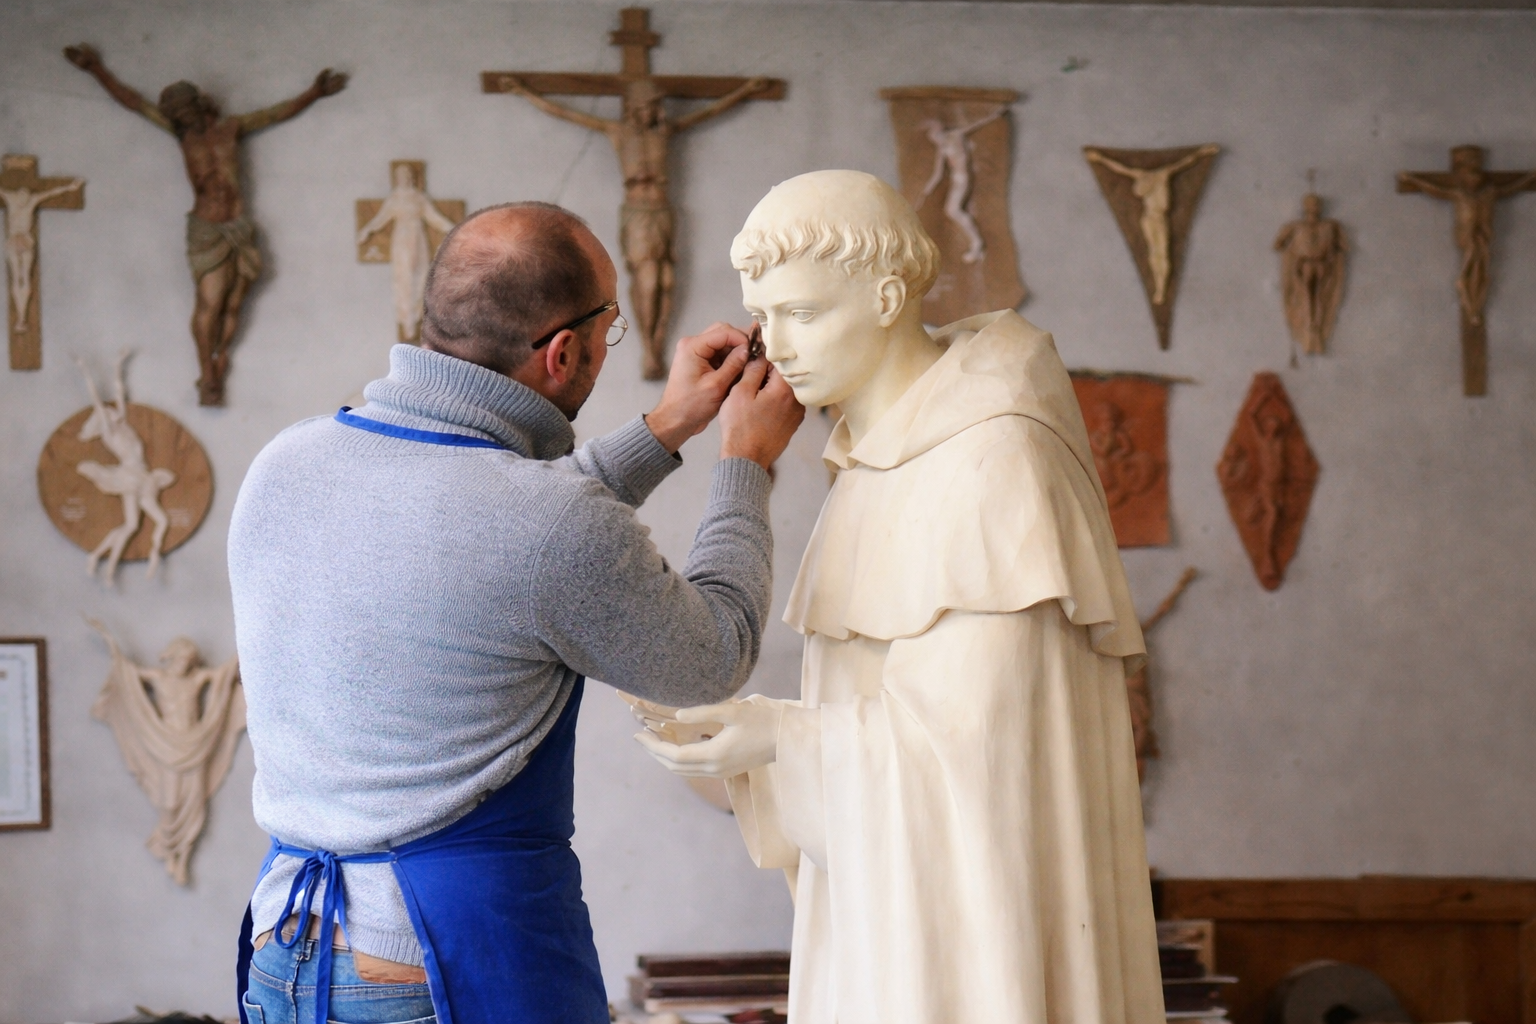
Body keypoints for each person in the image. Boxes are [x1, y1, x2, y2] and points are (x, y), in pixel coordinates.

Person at [228, 200, 803, 1024]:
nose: (611, 342)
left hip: (285, 948)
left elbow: (493, 527)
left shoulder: (287, 461)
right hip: (439, 967)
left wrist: (668, 426)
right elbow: (712, 655)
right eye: (610, 326)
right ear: (563, 351)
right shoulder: (546, 525)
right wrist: (747, 461)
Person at [638, 171, 1164, 1023]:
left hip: (970, 947)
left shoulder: (992, 461)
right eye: (765, 318)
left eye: (804, 314)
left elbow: (974, 755)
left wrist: (775, 735)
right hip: (890, 919)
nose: (780, 346)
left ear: (887, 298)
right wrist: (764, 738)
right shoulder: (874, 460)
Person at [64, 43, 348, 405]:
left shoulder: (232, 129)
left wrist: (314, 92)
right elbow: (134, 102)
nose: (183, 120)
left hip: (238, 226)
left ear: (198, 106)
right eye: (177, 116)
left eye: (186, 113)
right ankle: (206, 372)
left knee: (234, 303)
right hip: (206, 229)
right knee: (210, 302)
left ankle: (220, 356)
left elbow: (276, 113)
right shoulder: (183, 136)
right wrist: (95, 69)